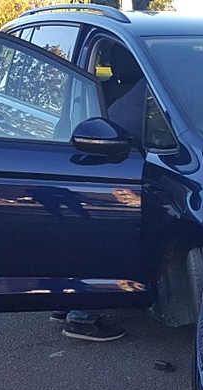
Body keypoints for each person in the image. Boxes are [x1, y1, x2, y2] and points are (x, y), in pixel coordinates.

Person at [52, 44, 146, 343]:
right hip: (99, 160)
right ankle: (81, 317)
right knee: (105, 237)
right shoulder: (152, 91)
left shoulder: (131, 88)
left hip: (74, 153)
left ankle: (64, 302)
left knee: (78, 237)